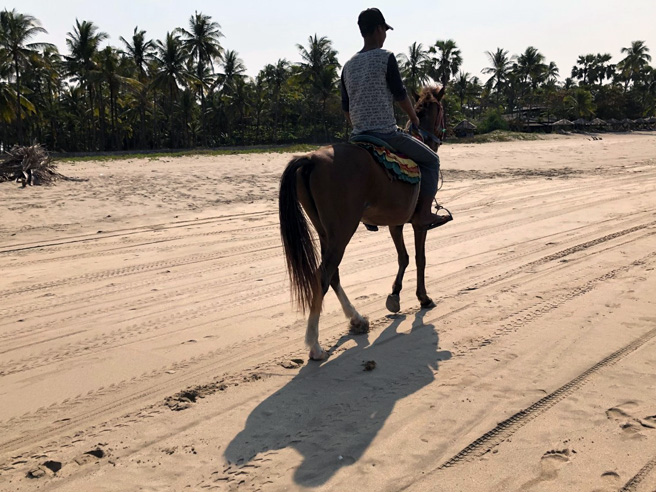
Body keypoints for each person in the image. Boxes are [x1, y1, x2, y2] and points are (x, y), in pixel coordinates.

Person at [340, 8, 452, 231]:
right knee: (431, 161)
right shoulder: (385, 57)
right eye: (385, 30)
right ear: (379, 29)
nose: (386, 35)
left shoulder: (348, 66)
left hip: (358, 136)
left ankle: (365, 216)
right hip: (385, 134)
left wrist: (359, 127)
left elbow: (346, 109)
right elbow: (400, 95)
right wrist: (414, 119)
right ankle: (424, 213)